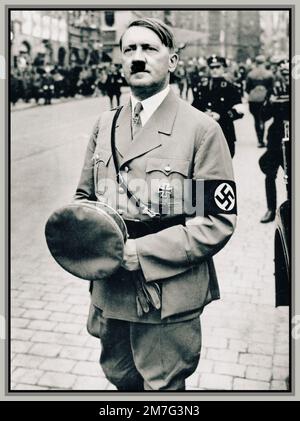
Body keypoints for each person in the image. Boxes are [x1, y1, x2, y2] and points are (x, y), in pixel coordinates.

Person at [74, 18, 237, 391]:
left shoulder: (200, 130)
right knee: (120, 379)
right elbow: (84, 200)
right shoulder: (105, 124)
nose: (138, 58)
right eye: (129, 49)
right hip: (111, 288)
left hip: (166, 293)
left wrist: (142, 253)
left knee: (161, 388)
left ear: (173, 60)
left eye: (149, 48)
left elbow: (215, 221)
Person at [192, 55, 243, 158]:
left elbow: (239, 110)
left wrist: (221, 116)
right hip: (205, 133)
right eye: (212, 68)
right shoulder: (202, 87)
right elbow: (194, 107)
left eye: (218, 67)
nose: (214, 70)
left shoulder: (230, 87)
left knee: (224, 166)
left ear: (223, 68)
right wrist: (203, 114)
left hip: (225, 132)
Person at [259, 59, 290, 223]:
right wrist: (270, 102)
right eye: (283, 74)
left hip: (293, 139)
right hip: (276, 138)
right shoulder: (274, 90)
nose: (286, 77)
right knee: (270, 174)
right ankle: (271, 209)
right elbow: (263, 117)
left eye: (289, 74)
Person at [246, 55, 274, 147]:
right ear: (264, 62)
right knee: (263, 118)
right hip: (264, 99)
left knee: (256, 119)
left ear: (256, 63)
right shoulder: (269, 74)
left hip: (253, 99)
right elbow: (272, 88)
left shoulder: (251, 74)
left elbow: (247, 88)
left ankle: (259, 140)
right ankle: (263, 138)